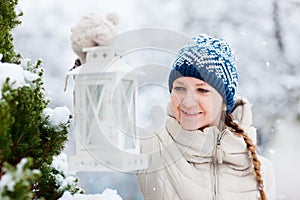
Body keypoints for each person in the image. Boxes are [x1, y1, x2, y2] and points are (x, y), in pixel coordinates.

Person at [136, 34, 276, 200]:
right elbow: (103, 126)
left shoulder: (261, 170)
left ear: (224, 101)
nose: (188, 102)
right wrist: (100, 55)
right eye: (180, 88)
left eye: (202, 90)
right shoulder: (152, 147)